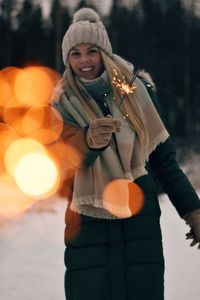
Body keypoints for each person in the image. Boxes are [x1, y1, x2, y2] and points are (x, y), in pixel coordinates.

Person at [52, 7, 200, 300]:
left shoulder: (135, 91)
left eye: (91, 51)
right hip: (88, 228)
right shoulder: (60, 102)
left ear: (104, 52)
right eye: (76, 53)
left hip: (139, 224)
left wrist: (192, 211)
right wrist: (88, 141)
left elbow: (164, 161)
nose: (84, 61)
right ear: (67, 59)